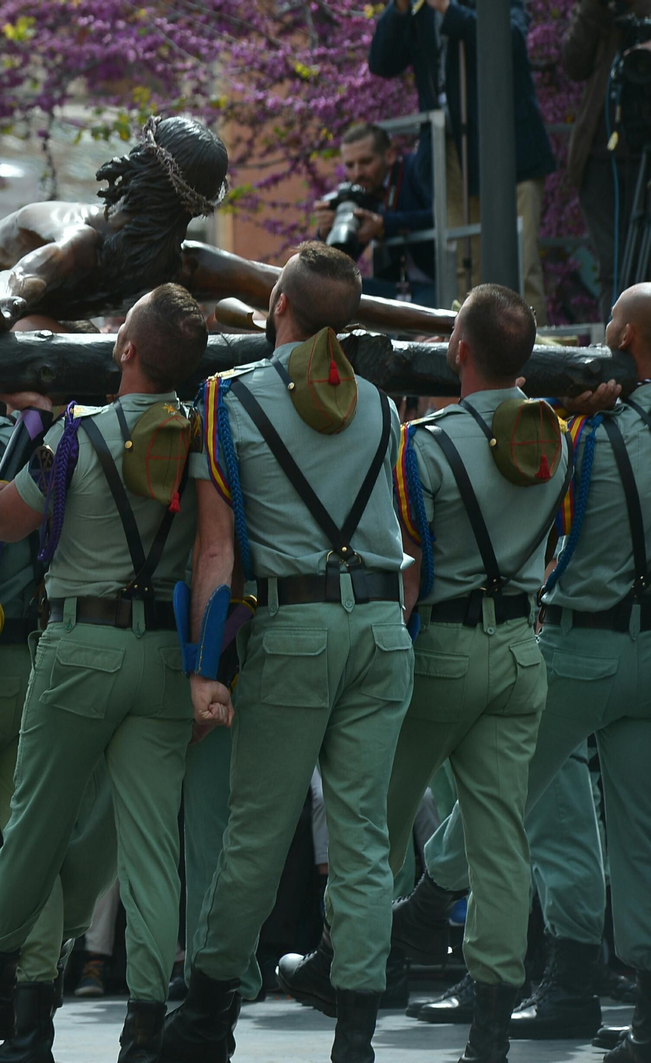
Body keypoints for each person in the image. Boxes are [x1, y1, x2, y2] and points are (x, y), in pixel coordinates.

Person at [278, 284, 570, 1062]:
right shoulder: (557, 439)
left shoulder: (426, 445)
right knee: (500, 839)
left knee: (372, 825)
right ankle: (490, 1031)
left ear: (457, 350)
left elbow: (403, 562)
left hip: (440, 648)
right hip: (520, 649)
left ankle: (351, 996)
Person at [0, 284, 207, 1063]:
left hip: (80, 644)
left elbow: (5, 518)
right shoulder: (202, 434)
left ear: (125, 348)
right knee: (150, 849)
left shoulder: (75, 434)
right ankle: (144, 1028)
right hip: (165, 652)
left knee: (34, 826)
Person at [160, 243, 414, 1063]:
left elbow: (214, 550)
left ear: (277, 306)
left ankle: (206, 1015)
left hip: (294, 629)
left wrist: (203, 667)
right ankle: (356, 1035)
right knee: (364, 836)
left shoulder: (227, 397)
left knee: (255, 834)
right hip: (381, 628)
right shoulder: (383, 406)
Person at [392, 283, 651, 1063]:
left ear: (625, 339)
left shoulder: (583, 432)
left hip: (572, 645)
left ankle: (429, 902)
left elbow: (536, 496)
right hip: (646, 649)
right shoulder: (589, 425)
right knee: (639, 835)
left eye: (609, 326)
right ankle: (639, 1013)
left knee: (499, 804)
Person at [0, 118, 450, 370]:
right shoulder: (181, 262)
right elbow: (318, 292)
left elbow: (24, 279)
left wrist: (4, 303)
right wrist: (446, 322)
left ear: (140, 170)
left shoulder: (78, 242)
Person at [368, 0, 556, 321]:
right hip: (451, 151)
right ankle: (474, 338)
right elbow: (382, 62)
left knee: (519, 261)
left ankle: (531, 341)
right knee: (464, 262)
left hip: (511, 149)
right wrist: (398, 9)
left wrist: (448, 9)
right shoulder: (419, 10)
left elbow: (509, 40)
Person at [562, 0, 651, 318]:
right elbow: (573, 63)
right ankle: (617, 343)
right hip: (600, 158)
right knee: (613, 269)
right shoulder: (600, 7)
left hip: (644, 154)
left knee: (646, 270)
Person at [314, 124, 436, 306]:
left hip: (438, 282)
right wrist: (326, 234)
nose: (357, 173)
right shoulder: (359, 192)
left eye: (365, 162)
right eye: (350, 165)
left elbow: (439, 216)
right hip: (396, 288)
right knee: (333, 288)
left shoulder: (414, 168)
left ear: (389, 156)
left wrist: (383, 225)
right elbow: (341, 260)